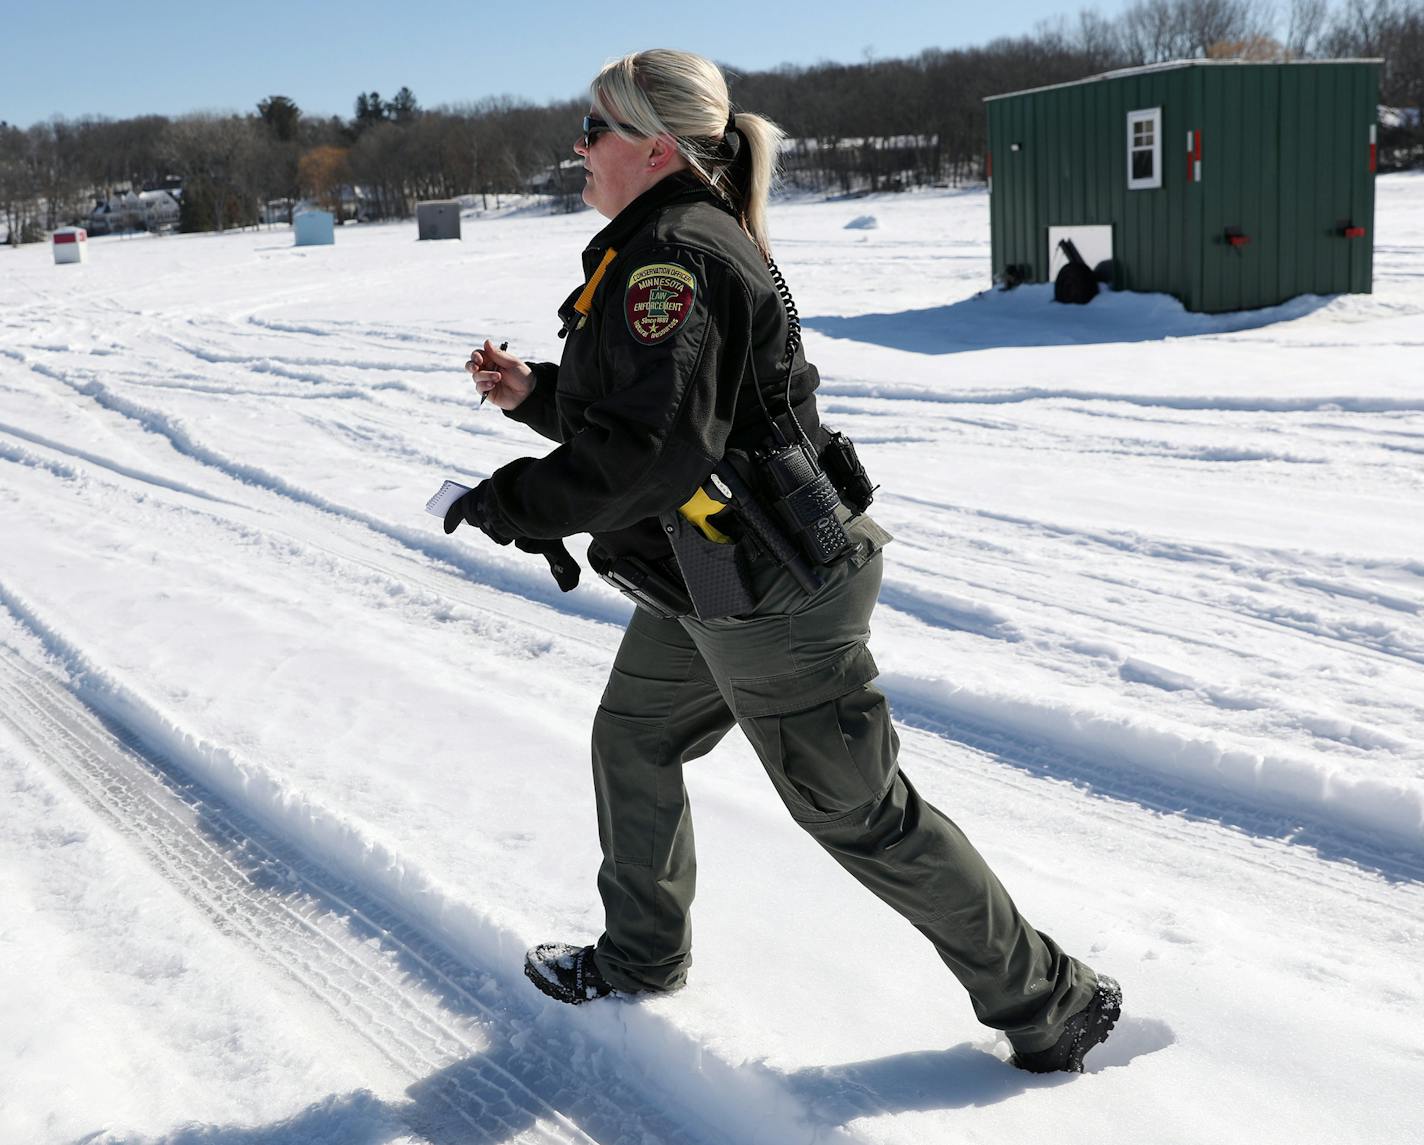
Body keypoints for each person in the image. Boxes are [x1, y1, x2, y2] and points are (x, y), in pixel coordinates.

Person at [444, 48, 1120, 1073]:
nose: (576, 147)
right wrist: (535, 392)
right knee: (633, 737)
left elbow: (651, 454)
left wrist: (512, 502)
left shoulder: (674, 258)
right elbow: (658, 414)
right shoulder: (651, 248)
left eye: (593, 130)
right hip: (703, 571)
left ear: (656, 147)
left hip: (769, 587)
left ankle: (1047, 999)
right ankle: (639, 954)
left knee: (856, 810)